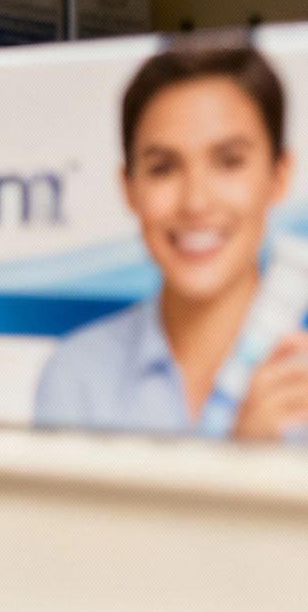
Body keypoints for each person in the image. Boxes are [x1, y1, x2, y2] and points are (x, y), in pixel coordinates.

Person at [35, 43, 308, 439]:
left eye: (229, 161)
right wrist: (246, 467)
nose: (195, 202)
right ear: (129, 187)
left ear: (279, 175)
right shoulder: (77, 377)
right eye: (163, 169)